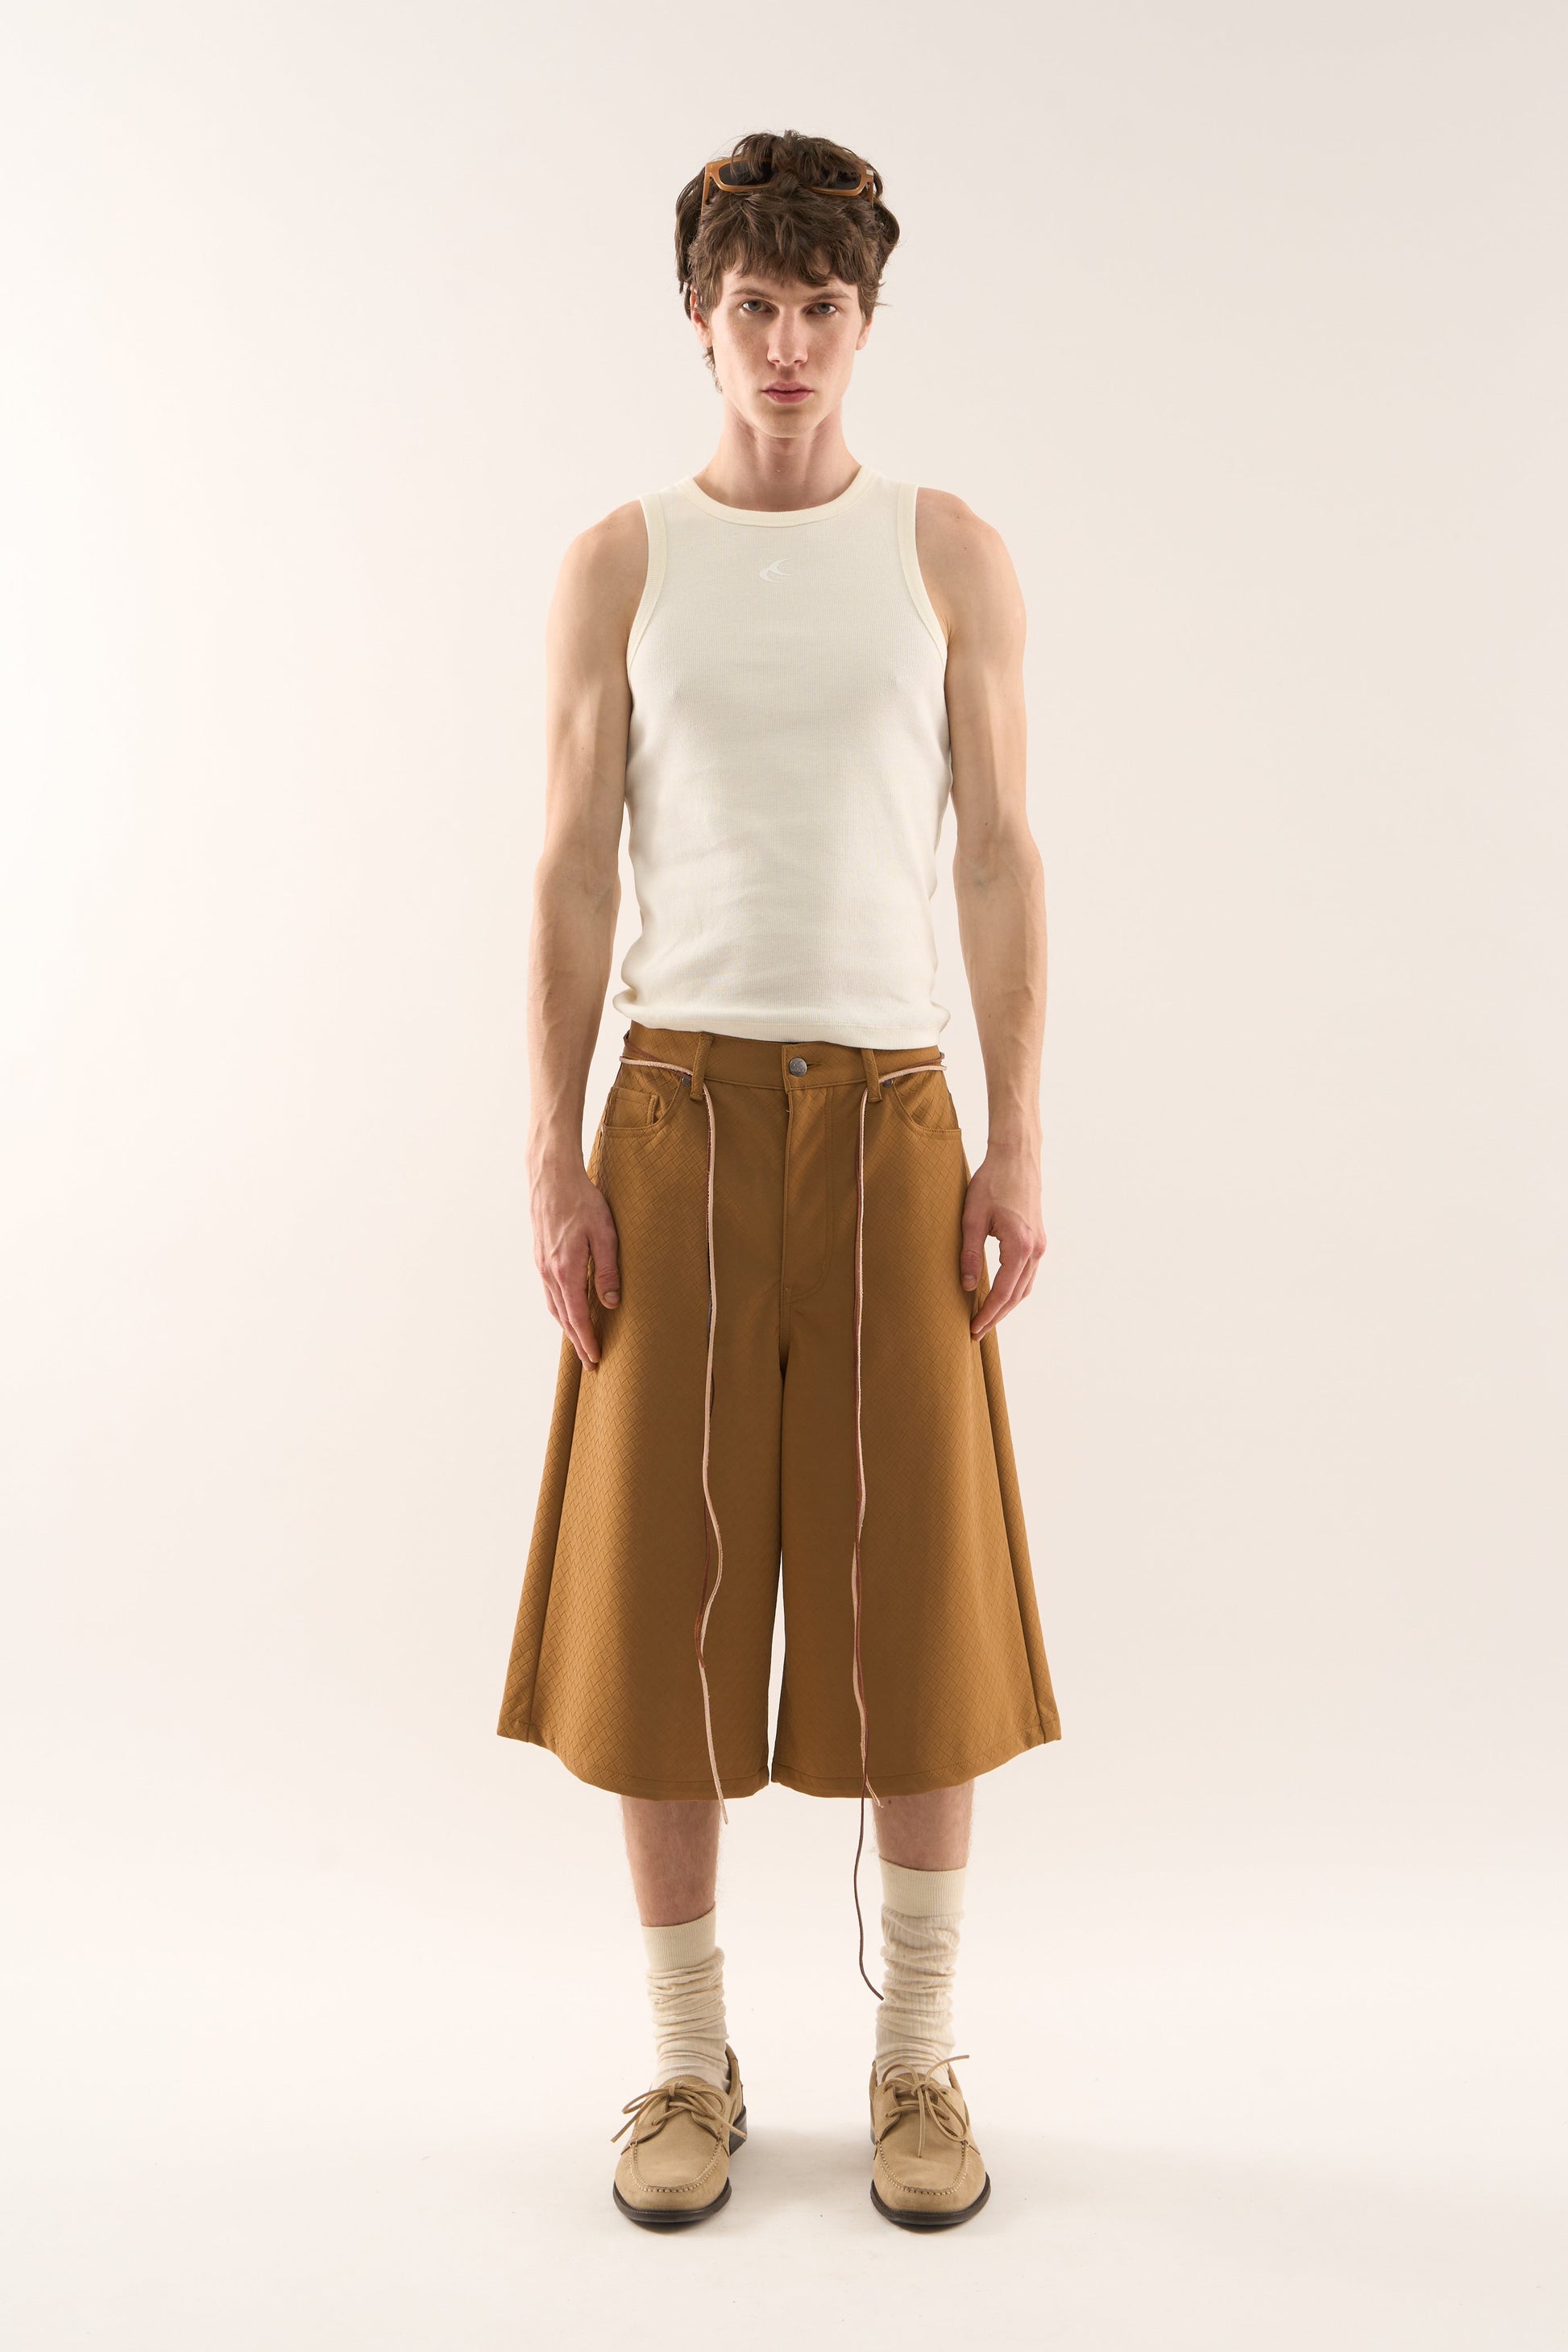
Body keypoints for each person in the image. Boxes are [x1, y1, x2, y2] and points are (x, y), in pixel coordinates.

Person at [496, 127, 1061, 2231]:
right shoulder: (617, 563)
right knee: (661, 1584)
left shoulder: (947, 553)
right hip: (676, 1114)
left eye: (824, 304)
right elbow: (571, 870)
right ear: (699, 316)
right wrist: (548, 1149)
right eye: (755, 304)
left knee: (921, 1586)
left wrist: (1017, 1132)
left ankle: (919, 2062)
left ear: (864, 317)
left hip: (894, 1115)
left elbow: (999, 857)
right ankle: (681, 2060)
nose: (790, 343)